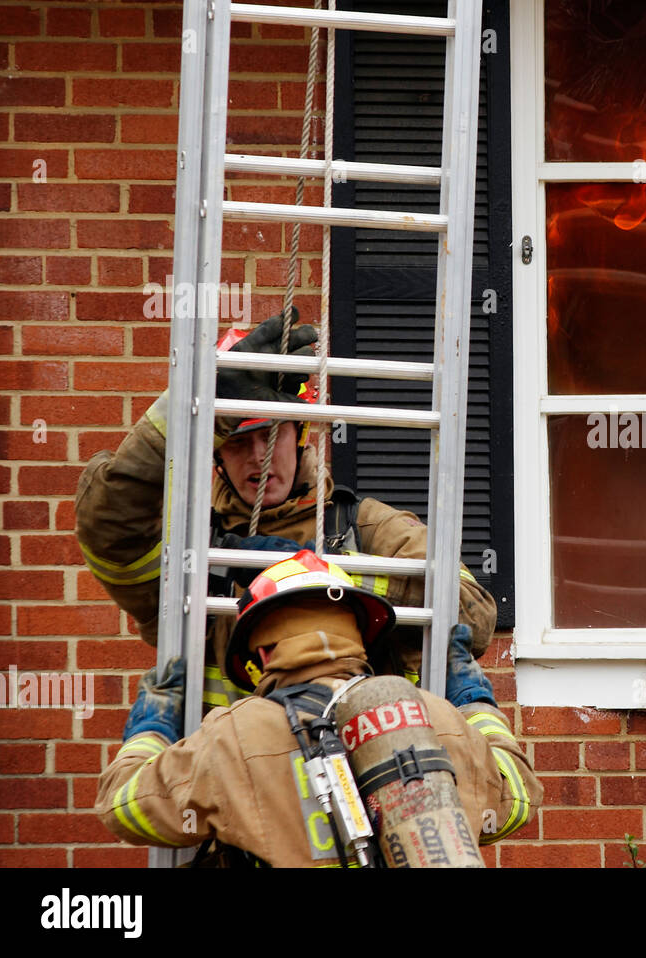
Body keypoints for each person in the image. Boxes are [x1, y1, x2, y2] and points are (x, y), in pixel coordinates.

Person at [75, 312, 497, 708]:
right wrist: (199, 395)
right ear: (216, 452)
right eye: (238, 441)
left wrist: (319, 572)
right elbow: (109, 526)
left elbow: (473, 617)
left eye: (271, 433)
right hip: (230, 778)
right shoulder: (194, 550)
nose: (257, 457)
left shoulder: (367, 528)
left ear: (299, 432)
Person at [96, 551, 539, 865]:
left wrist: (150, 729)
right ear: (359, 633)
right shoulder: (435, 716)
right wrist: (475, 704)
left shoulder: (231, 737)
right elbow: (516, 797)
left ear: (261, 656)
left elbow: (124, 807)